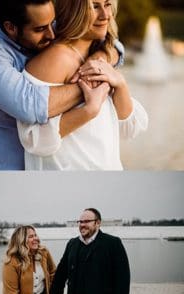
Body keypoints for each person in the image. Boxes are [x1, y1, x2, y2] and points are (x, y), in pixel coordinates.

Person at [0, 0, 125, 170]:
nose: (52, 35)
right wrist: (91, 80)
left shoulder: (42, 25)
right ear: (11, 28)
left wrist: (98, 59)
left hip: (38, 178)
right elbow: (31, 106)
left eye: (52, 23)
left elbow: (114, 44)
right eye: (40, 29)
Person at [16, 0, 147, 170]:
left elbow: (130, 128)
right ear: (73, 10)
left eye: (107, 5)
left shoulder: (98, 53)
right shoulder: (55, 59)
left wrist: (120, 83)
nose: (105, 15)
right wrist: (88, 111)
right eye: (95, 6)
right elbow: (33, 140)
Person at [52, 208, 131, 294]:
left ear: (98, 223)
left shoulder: (112, 243)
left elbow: (123, 276)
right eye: (80, 221)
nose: (82, 224)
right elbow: (61, 271)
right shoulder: (73, 244)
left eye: (87, 221)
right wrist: (55, 293)